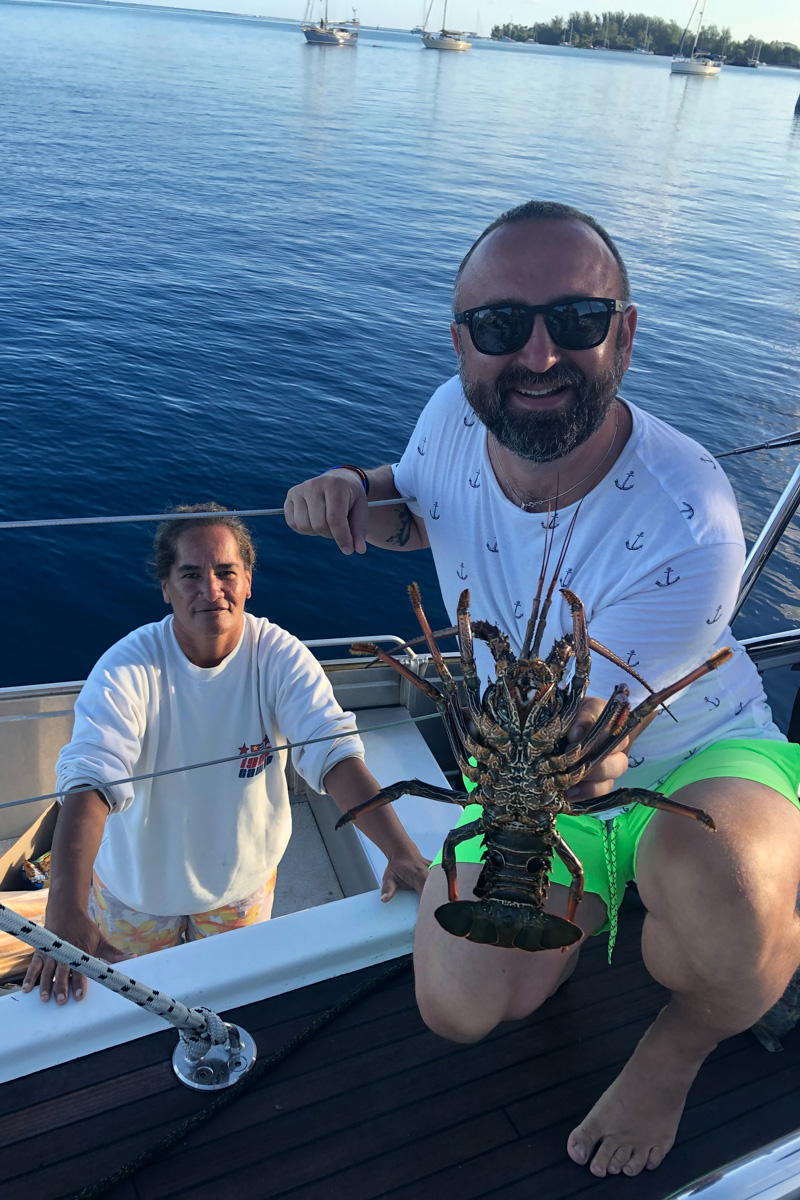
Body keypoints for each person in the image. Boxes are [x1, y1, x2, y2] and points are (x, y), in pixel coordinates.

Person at [284, 200, 800, 1179]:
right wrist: (356, 489)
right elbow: (416, 509)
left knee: (721, 885)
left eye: (575, 319)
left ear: (624, 334)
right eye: (498, 325)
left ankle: (679, 1045)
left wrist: (491, 711)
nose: (536, 354)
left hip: (689, 752)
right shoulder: (450, 414)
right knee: (459, 1008)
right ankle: (594, 914)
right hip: (539, 780)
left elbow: (597, 734)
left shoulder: (690, 516)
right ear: (461, 344)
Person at [23, 503, 428, 1005]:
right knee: (135, 1009)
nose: (211, 589)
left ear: (249, 580)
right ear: (165, 587)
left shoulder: (279, 656)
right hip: (136, 893)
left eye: (226, 572)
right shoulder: (127, 667)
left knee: (233, 1002)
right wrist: (65, 912)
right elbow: (90, 779)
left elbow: (334, 752)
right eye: (190, 574)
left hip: (242, 890)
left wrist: (400, 851)